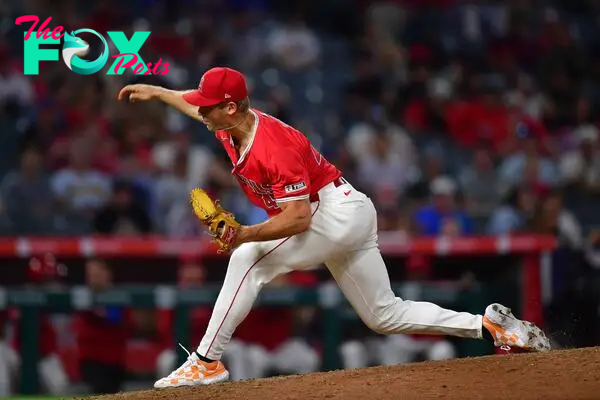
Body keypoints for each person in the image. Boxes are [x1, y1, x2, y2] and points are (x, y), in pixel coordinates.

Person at [117, 67, 551, 388]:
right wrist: (159, 92)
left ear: (230, 107)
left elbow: (299, 219)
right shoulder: (231, 126)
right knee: (384, 314)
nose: (201, 111)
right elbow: (195, 107)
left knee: (248, 258)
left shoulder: (272, 145)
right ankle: (491, 326)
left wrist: (244, 234)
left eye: (209, 106)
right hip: (347, 211)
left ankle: (207, 360)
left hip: (332, 213)